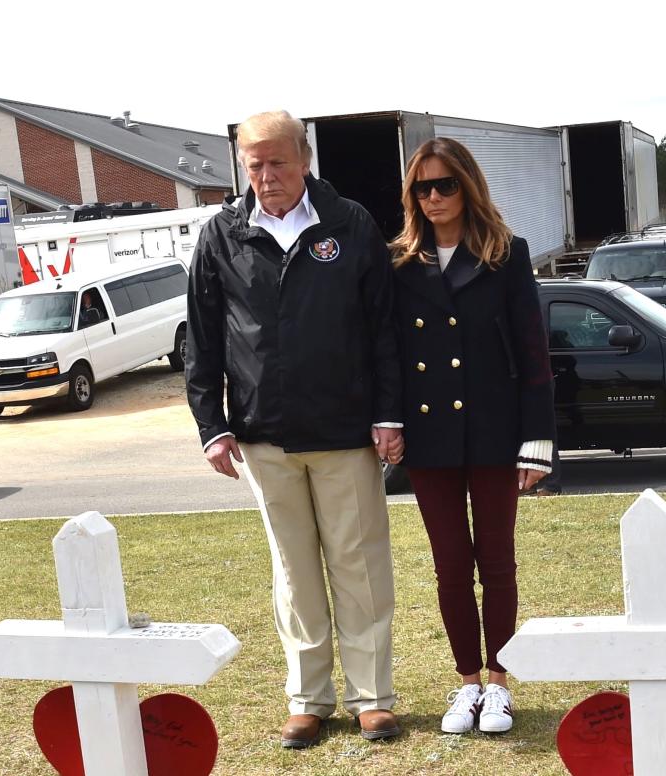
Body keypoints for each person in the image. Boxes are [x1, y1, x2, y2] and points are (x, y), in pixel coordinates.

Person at [184, 110, 404, 749]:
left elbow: (382, 328)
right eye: (254, 164)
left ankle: (373, 698)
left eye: (278, 162)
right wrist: (211, 425)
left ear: (304, 158)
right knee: (293, 571)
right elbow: (202, 341)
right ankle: (308, 699)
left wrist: (388, 414)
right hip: (263, 436)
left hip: (345, 434)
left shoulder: (350, 225)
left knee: (359, 565)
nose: (267, 176)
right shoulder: (220, 236)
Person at [389, 138, 556, 735]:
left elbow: (534, 353)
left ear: (469, 186)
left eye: (445, 185)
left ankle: (501, 682)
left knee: (499, 563)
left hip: (493, 430)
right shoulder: (401, 262)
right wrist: (389, 420)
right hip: (430, 438)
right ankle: (467, 683)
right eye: (422, 188)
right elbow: (390, 354)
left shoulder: (506, 255)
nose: (434, 198)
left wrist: (538, 439)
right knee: (450, 566)